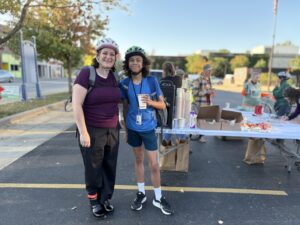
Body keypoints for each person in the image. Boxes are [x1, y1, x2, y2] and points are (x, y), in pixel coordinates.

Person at [120, 46, 174, 215]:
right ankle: (141, 193)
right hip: (132, 127)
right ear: (128, 63)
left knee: (154, 164)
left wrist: (150, 102)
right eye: (132, 60)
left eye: (138, 60)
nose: (135, 62)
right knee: (138, 160)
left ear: (143, 63)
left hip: (149, 127)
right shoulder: (125, 83)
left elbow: (163, 105)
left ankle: (158, 197)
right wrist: (126, 130)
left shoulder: (151, 81)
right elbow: (125, 106)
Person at [72, 38, 120, 219]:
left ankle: (105, 198)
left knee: (109, 166)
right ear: (98, 56)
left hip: (112, 129)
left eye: (112, 54)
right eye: (104, 53)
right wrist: (83, 132)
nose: (108, 57)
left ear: (116, 58)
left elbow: (117, 102)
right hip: (92, 129)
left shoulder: (115, 77)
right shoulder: (87, 73)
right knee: (93, 167)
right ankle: (94, 200)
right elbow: (77, 105)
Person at [241, 72, 266, 165]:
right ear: (252, 77)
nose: (258, 78)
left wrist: (265, 95)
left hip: (257, 106)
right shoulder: (247, 84)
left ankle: (254, 137)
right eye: (256, 77)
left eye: (259, 77)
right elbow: (243, 93)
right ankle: (251, 137)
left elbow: (259, 93)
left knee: (257, 122)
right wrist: (245, 89)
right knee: (248, 121)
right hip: (248, 106)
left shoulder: (259, 84)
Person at [160, 62, 184, 146]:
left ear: (164, 70)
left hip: (165, 106)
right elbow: (180, 88)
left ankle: (167, 139)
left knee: (169, 124)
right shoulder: (178, 79)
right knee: (177, 123)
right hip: (176, 105)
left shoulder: (162, 80)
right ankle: (181, 137)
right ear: (173, 69)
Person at [191, 64, 214, 143]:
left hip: (206, 104)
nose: (211, 72)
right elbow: (194, 92)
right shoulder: (197, 80)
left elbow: (208, 91)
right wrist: (206, 92)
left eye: (211, 70)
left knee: (203, 121)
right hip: (198, 105)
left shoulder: (209, 80)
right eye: (209, 70)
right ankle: (188, 141)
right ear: (204, 71)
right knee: (194, 122)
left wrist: (211, 94)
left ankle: (201, 137)